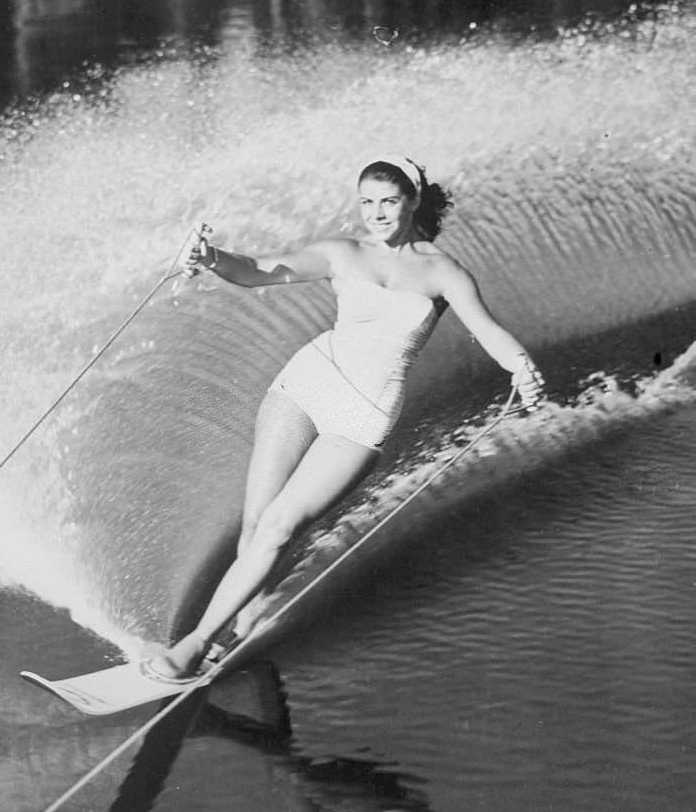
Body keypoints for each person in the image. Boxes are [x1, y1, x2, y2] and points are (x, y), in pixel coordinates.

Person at [144, 155, 545, 680]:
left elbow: (488, 330)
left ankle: (194, 647)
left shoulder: (443, 272)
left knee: (280, 529)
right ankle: (233, 637)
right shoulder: (343, 252)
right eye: (367, 202)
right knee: (255, 527)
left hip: (363, 414)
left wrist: (520, 366)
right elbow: (259, 271)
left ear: (413, 201)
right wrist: (211, 256)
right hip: (306, 385)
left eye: (389, 201)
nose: (376, 213)